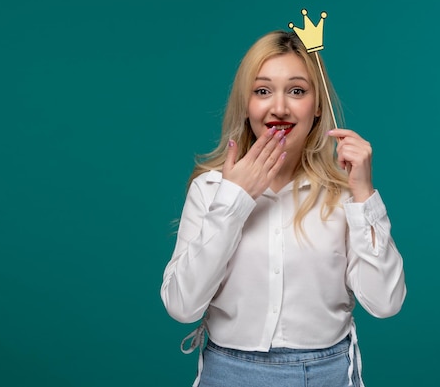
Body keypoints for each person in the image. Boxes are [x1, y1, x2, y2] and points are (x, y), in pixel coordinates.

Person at [160, 30, 406, 387]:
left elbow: (385, 303)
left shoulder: (344, 193)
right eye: (262, 91)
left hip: (327, 374)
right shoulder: (210, 190)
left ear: (317, 105)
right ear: (246, 104)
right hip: (227, 373)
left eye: (297, 90)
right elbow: (182, 307)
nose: (279, 107)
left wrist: (364, 195)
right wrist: (234, 200)